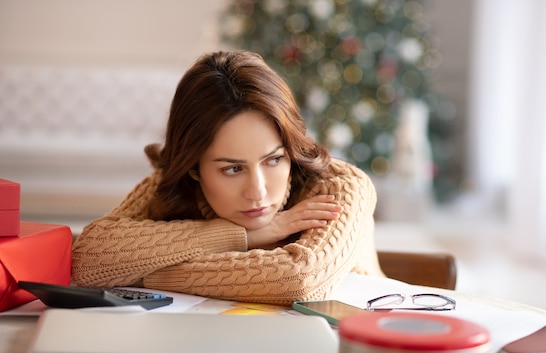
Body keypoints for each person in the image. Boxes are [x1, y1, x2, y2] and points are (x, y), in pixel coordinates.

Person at [72, 50, 383, 305]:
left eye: (274, 160)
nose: (257, 192)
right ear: (194, 167)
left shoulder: (339, 186)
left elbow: (299, 280)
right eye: (233, 169)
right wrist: (239, 235)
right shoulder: (176, 182)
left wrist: (154, 273)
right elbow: (89, 259)